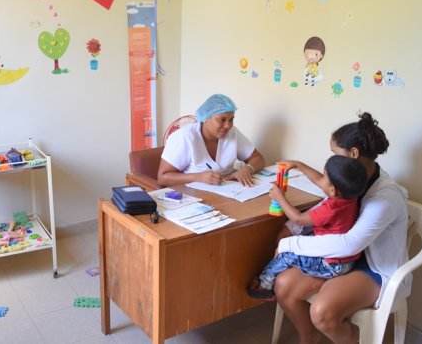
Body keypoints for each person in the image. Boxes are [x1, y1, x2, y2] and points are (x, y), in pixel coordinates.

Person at [274, 112, 409, 344]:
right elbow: (327, 207)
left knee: (321, 312)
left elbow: (349, 244)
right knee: (283, 285)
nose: (332, 160)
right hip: (342, 259)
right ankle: (309, 337)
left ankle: (356, 340)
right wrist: (291, 228)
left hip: (373, 267)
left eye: (335, 153)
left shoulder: (385, 197)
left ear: (353, 154)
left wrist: (290, 244)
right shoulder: (350, 181)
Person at [247, 155, 368, 301]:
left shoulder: (331, 209)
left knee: (286, 254)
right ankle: (271, 279)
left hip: (331, 264)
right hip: (343, 258)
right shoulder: (349, 195)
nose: (321, 180)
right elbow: (319, 181)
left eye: (324, 177)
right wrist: (298, 164)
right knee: (295, 242)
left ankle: (264, 286)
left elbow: (299, 219)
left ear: (333, 190)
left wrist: (280, 198)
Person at [157, 94, 265, 187]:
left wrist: (248, 169)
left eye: (231, 119)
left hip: (227, 192)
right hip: (193, 195)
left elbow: (258, 158)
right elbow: (162, 178)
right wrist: (199, 177)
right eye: (222, 120)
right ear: (206, 117)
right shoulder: (185, 136)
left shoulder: (232, 133)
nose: (227, 126)